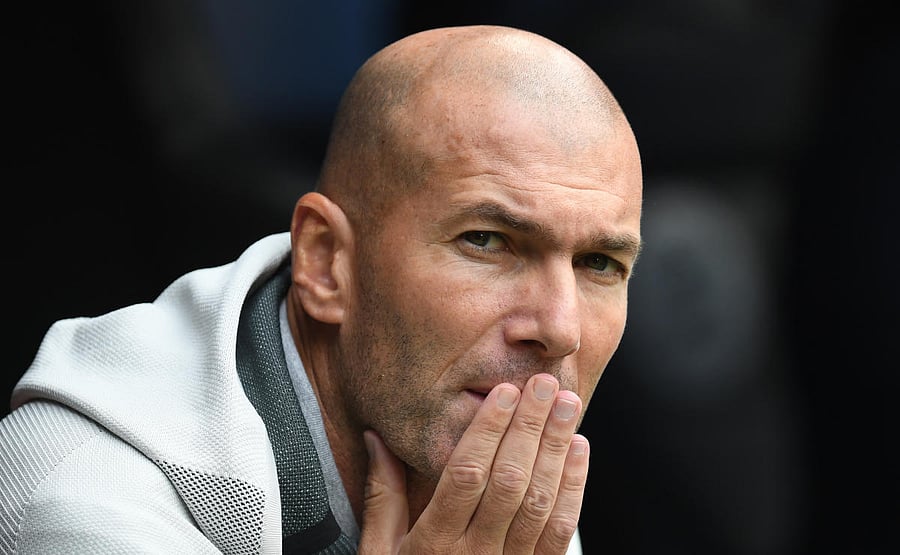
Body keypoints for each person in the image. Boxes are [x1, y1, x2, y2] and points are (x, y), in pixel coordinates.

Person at [0, 24, 642, 554]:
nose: (560, 327)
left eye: (600, 263)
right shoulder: (91, 500)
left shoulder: (477, 456)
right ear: (326, 260)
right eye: (486, 240)